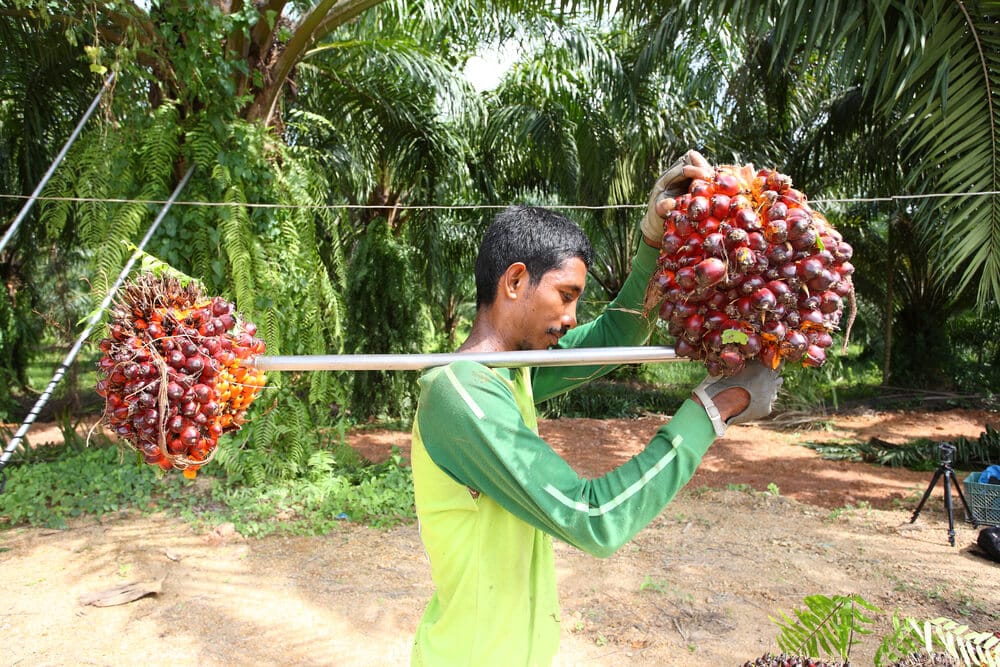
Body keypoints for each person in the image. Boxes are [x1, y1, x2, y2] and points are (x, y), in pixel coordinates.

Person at [409, 151, 783, 666]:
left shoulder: (512, 370)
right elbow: (592, 518)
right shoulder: (460, 395)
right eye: (565, 296)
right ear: (515, 282)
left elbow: (617, 334)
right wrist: (714, 408)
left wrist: (654, 241)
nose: (570, 318)